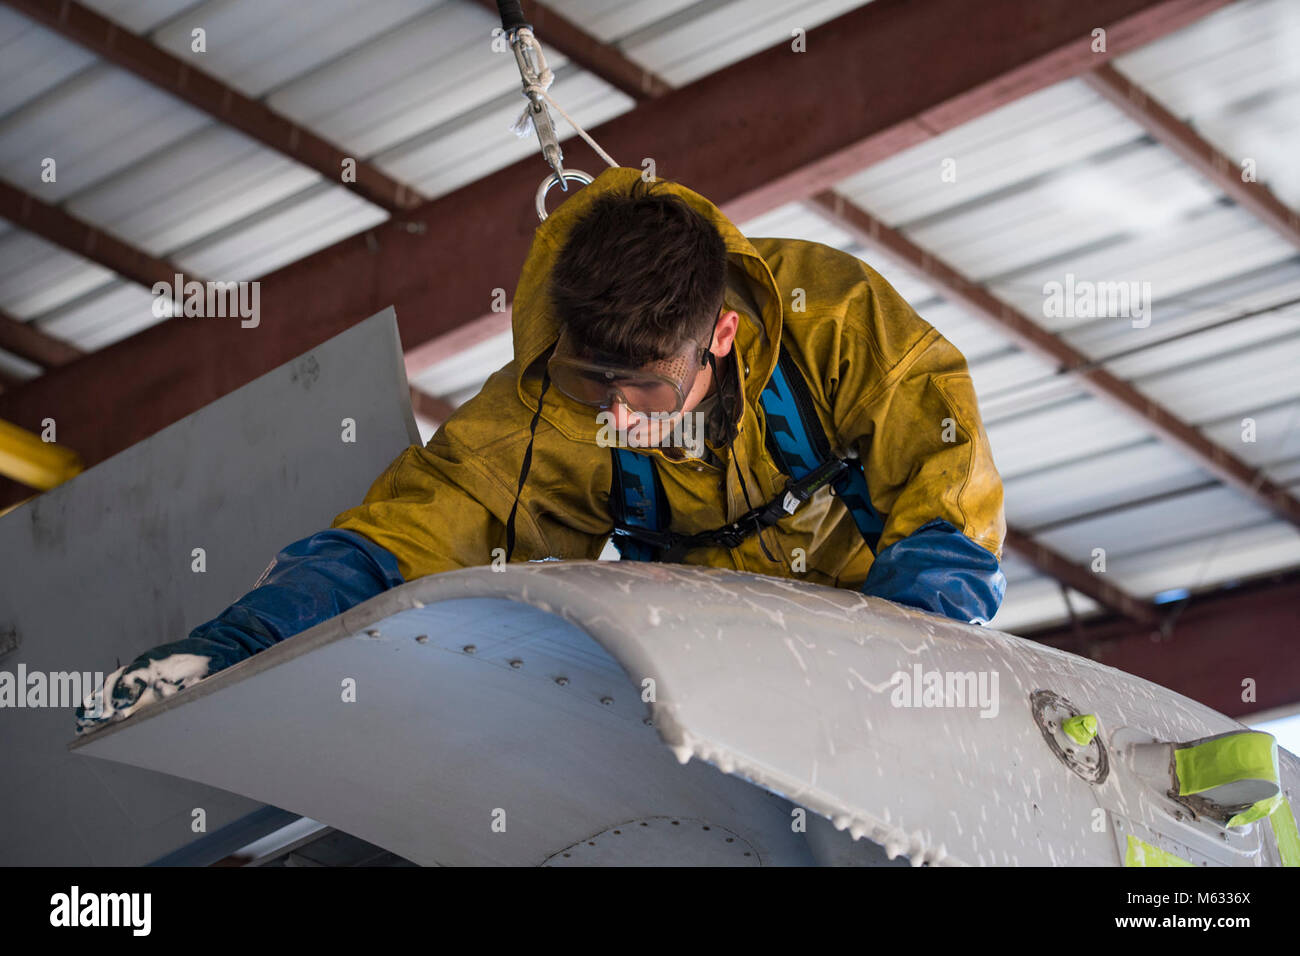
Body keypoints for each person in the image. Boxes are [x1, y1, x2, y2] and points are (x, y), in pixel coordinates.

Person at [75, 167, 1007, 733]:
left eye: (644, 387)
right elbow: (411, 533)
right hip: (708, 662)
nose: (615, 417)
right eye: (592, 384)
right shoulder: (551, 404)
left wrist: (901, 675)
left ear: (720, 338)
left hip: (872, 634)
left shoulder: (840, 327)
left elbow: (945, 506)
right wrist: (238, 643)